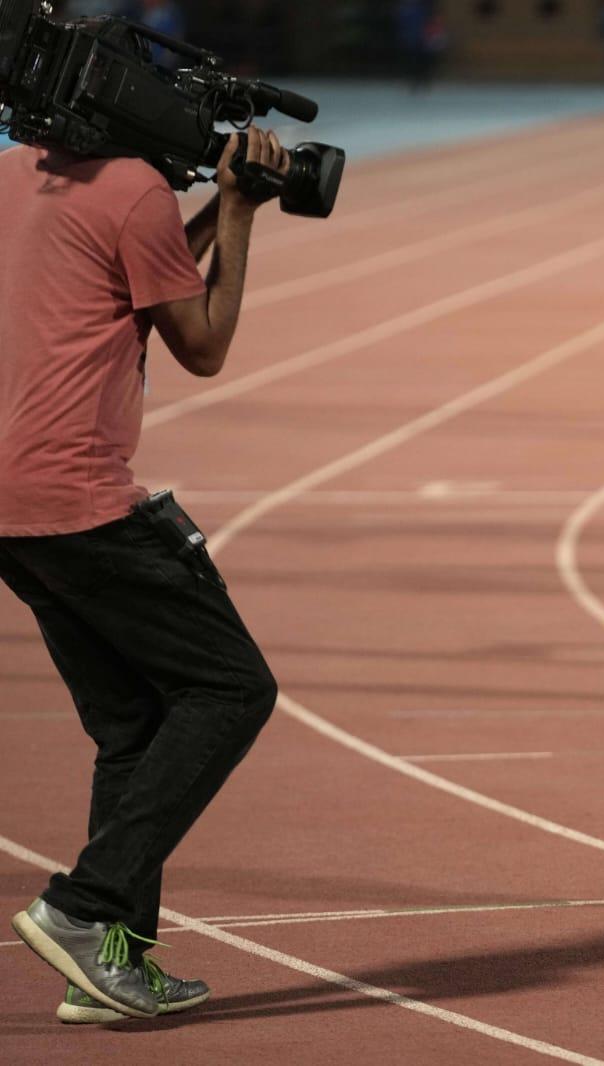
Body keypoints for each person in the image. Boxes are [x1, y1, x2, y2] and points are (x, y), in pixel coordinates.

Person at [1, 128, 288, 1021]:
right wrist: (237, 213)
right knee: (231, 689)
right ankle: (85, 908)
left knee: (132, 727)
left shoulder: (16, 173)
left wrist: (196, 215)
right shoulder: (133, 185)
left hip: (11, 508)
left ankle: (112, 969)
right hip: (79, 497)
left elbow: (130, 267)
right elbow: (200, 344)